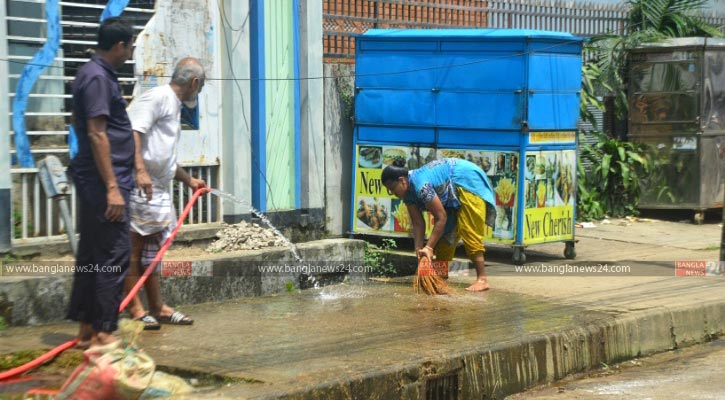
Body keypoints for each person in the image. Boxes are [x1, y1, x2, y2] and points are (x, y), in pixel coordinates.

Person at [123, 58, 207, 329]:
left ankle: (157, 307)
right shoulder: (158, 97)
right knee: (133, 250)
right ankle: (135, 309)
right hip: (141, 186)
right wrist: (140, 171)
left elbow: (165, 156)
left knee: (153, 254)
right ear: (195, 83)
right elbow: (134, 132)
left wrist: (188, 180)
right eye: (201, 86)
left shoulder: (173, 105)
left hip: (157, 188)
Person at [67, 17, 135, 348]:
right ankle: (105, 332)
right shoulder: (96, 77)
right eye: (130, 46)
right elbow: (97, 133)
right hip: (104, 182)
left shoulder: (96, 74)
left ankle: (86, 331)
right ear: (120, 46)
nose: (131, 52)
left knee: (93, 253)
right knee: (114, 252)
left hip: (102, 178)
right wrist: (112, 188)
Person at [382, 157, 496, 291]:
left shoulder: (421, 186)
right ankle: (441, 277)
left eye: (392, 189)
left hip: (465, 180)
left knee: (469, 232)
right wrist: (419, 249)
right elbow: (418, 223)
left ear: (402, 181)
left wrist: (429, 248)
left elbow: (441, 217)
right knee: (445, 239)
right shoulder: (407, 194)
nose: (392, 193)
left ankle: (482, 279)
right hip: (450, 195)